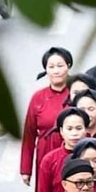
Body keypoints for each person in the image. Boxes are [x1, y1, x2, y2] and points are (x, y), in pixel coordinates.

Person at [19, 44, 76, 182]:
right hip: (46, 155)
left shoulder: (77, 93)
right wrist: (25, 169)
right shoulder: (38, 98)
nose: (56, 71)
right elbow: (29, 134)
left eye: (60, 66)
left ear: (68, 66)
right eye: (51, 67)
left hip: (74, 155)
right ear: (46, 69)